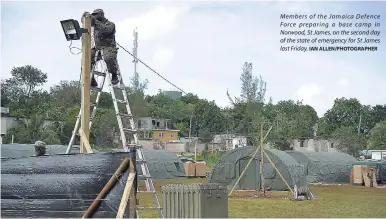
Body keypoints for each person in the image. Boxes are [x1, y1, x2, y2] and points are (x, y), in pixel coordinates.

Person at [89, 9, 119, 87]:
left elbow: (106, 31)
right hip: (97, 48)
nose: (94, 16)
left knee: (108, 57)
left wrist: (96, 22)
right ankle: (91, 79)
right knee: (86, 58)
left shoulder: (110, 24)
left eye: (96, 14)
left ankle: (114, 74)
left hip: (108, 47)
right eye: (93, 15)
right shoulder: (95, 26)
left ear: (101, 14)